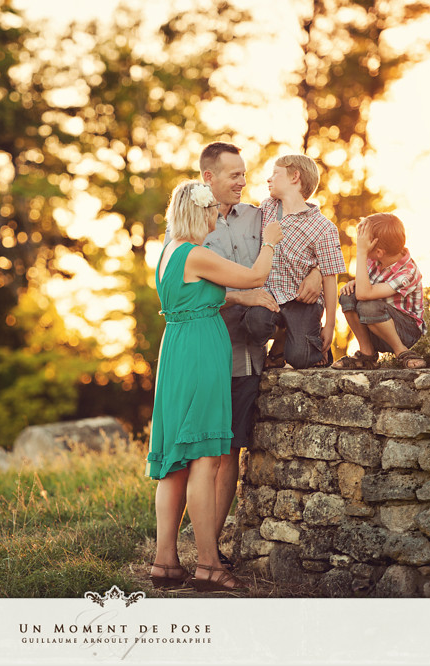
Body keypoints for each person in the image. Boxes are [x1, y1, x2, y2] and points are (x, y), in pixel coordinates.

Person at [148, 179, 283, 593]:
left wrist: (238, 300)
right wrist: (271, 241)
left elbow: (201, 296)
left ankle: (165, 563)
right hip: (201, 354)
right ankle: (208, 564)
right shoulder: (196, 253)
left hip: (175, 351)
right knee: (207, 459)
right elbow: (256, 275)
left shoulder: (168, 253)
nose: (215, 219)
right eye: (211, 213)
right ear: (201, 213)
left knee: (176, 461)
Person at [199, 142, 322, 570]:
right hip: (205, 351)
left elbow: (310, 217)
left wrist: (314, 271)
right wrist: (241, 294)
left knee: (230, 452)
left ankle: (209, 555)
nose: (243, 181)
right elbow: (185, 285)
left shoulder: (259, 213)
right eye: (234, 174)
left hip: (247, 356)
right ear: (208, 177)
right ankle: (181, 552)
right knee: (199, 456)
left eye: (245, 173)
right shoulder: (189, 225)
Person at [241, 154, 345, 371]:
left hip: (302, 301)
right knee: (254, 324)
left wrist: (330, 325)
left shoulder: (323, 227)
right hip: (270, 295)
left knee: (300, 358)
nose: (268, 179)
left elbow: (330, 277)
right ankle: (285, 334)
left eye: (275, 174)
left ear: (295, 177)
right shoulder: (268, 208)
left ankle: (305, 345)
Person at [330, 213, 427, 369]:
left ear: (379, 252)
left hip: (405, 331)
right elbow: (364, 288)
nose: (360, 246)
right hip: (375, 325)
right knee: (347, 296)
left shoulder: (408, 273)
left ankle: (401, 351)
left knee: (367, 305)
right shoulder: (375, 259)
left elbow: (365, 294)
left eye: (364, 244)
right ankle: (367, 353)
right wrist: (354, 283)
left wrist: (360, 252)